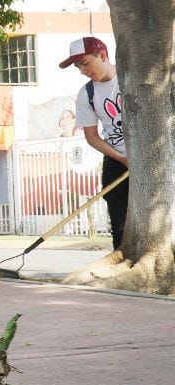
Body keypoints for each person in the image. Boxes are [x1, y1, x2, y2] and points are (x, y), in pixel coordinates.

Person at [60, 36, 128, 251]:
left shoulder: (132, 78)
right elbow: (92, 137)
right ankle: (121, 256)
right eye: (78, 67)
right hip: (117, 157)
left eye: (86, 63)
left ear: (103, 55)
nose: (83, 71)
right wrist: (122, 159)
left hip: (150, 154)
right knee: (118, 214)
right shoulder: (87, 94)